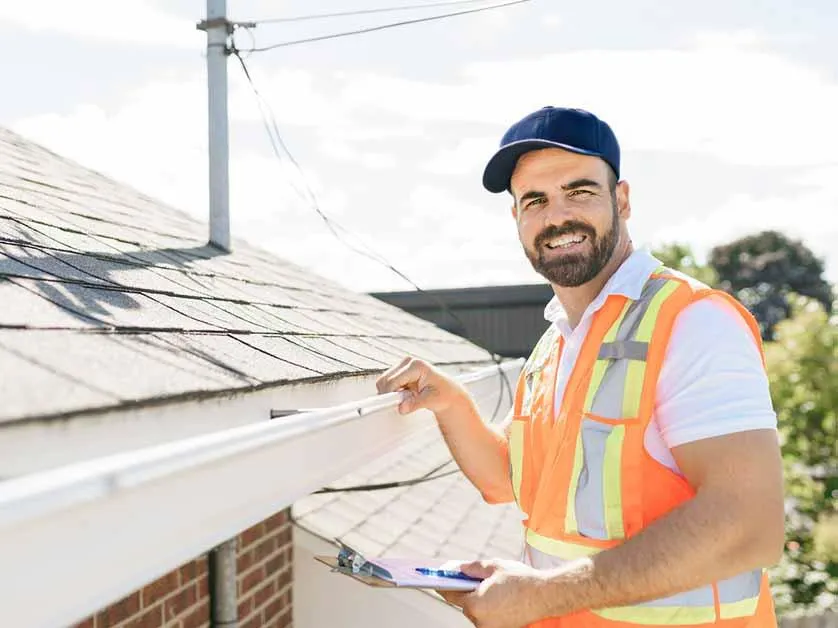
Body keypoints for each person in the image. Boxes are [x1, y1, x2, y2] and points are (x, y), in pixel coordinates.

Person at [376, 107, 784, 628]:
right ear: (517, 219)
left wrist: (540, 595)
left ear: (623, 200)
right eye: (536, 201)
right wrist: (450, 401)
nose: (557, 216)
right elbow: (509, 481)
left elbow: (749, 524)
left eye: (580, 191)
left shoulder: (693, 322)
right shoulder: (555, 344)